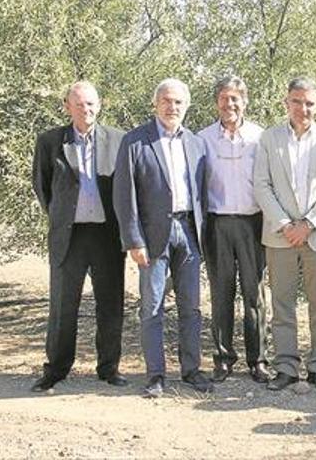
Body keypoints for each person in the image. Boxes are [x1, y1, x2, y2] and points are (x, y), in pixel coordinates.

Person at [113, 78, 211, 398]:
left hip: (189, 233)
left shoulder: (196, 143)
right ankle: (155, 374)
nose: (172, 107)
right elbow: (124, 196)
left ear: (187, 106)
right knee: (152, 306)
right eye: (167, 101)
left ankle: (191, 369)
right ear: (156, 104)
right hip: (153, 235)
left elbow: (203, 193)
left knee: (191, 307)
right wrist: (133, 240)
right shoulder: (135, 141)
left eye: (179, 102)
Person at [30, 81, 127, 392]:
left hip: (106, 235)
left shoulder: (118, 140)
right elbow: (42, 187)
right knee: (62, 304)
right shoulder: (50, 142)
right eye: (80, 104)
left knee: (110, 303)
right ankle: (56, 369)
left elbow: (125, 188)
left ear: (99, 105)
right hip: (68, 236)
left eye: (91, 104)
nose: (86, 110)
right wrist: (61, 217)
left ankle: (109, 368)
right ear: (67, 107)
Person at [253, 77, 316, 393]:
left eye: (309, 103)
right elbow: (261, 184)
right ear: (286, 102)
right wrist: (286, 224)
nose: (303, 108)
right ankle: (286, 367)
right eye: (297, 101)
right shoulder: (269, 137)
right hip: (280, 236)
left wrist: (309, 224)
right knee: (282, 304)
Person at [199, 76, 270, 384]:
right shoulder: (202, 138)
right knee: (221, 293)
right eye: (224, 98)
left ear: (245, 101)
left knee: (254, 294)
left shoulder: (260, 137)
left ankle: (258, 360)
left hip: (253, 223)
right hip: (217, 222)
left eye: (235, 98)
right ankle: (223, 358)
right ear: (217, 102)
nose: (230, 104)